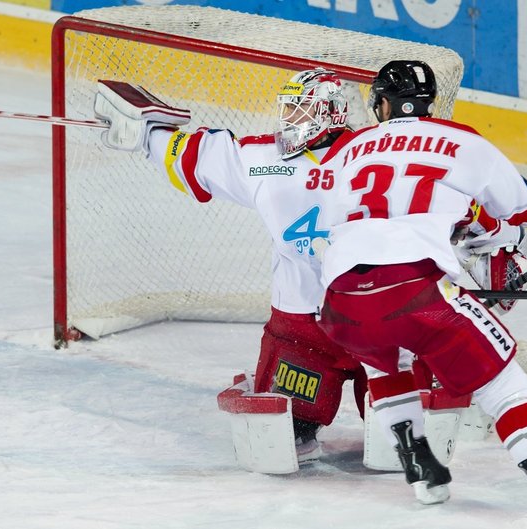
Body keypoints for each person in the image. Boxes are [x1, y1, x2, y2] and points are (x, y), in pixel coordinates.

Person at [315, 60, 527, 520]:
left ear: (381, 104)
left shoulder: (347, 150)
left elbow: (331, 221)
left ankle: (420, 468)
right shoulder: (461, 139)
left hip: (342, 298)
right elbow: (523, 204)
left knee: (384, 361)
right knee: (506, 386)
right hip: (417, 293)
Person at [92, 69, 368, 463]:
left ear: (332, 114)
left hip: (360, 317)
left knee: (393, 430)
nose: (291, 119)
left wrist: (147, 135)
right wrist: (148, 134)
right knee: (296, 429)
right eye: (289, 108)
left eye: (302, 110)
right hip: (327, 321)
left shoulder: (278, 160)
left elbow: (198, 159)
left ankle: (402, 424)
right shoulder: (370, 154)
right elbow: (201, 159)